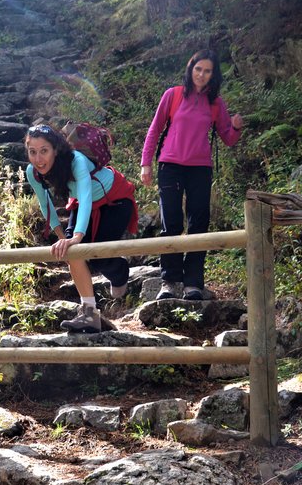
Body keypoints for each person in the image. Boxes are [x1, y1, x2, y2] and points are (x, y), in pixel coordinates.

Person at [140, 49, 244, 301]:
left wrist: (237, 128)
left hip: (200, 169)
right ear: (190, 69)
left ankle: (193, 283)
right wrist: (146, 164)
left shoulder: (216, 103)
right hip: (170, 166)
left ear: (213, 75)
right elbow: (154, 130)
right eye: (198, 69)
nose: (201, 74)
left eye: (207, 71)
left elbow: (228, 138)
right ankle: (170, 282)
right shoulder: (173, 95)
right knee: (171, 223)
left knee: (199, 223)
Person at [25, 124, 138, 333]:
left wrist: (77, 237)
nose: (38, 159)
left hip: (115, 200)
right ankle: (89, 315)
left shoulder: (75, 160)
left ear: (55, 150)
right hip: (83, 204)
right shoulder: (33, 172)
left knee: (98, 255)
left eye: (44, 151)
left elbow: (85, 196)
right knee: (71, 252)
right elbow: (45, 204)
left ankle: (120, 271)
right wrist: (62, 237)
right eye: (33, 152)